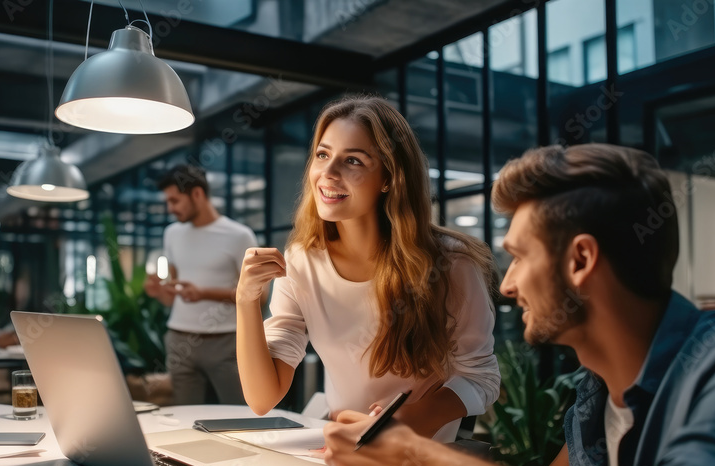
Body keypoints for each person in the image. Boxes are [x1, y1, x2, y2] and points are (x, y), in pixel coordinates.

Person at [322, 144, 715, 466]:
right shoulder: (597, 391)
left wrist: (414, 458)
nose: (508, 285)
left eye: (521, 257)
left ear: (581, 260)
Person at [236, 95, 500, 441]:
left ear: (389, 177)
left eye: (354, 161)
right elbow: (261, 398)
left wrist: (409, 419)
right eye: (322, 155)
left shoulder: (451, 264)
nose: (328, 174)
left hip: (423, 455)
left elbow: (481, 377)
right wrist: (245, 299)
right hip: (341, 449)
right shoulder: (301, 261)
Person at [143, 165, 258, 405]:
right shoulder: (172, 234)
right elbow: (174, 295)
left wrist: (204, 293)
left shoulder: (240, 236)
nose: (170, 208)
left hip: (226, 342)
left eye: (175, 200)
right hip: (179, 339)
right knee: (186, 419)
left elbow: (258, 296)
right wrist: (159, 292)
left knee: (241, 415)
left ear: (197, 194)